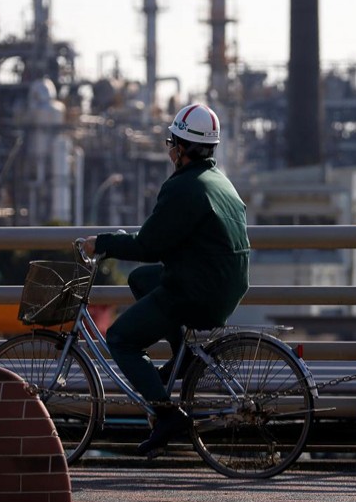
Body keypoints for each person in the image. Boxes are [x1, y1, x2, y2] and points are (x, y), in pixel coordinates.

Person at [82, 102, 250, 455]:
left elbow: (149, 244)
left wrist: (103, 244)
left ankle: (166, 413)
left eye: (172, 142)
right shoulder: (218, 181)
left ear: (183, 149)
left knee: (121, 338)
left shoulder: (184, 187)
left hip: (195, 291)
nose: (169, 149)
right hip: (221, 284)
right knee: (142, 280)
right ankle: (183, 356)